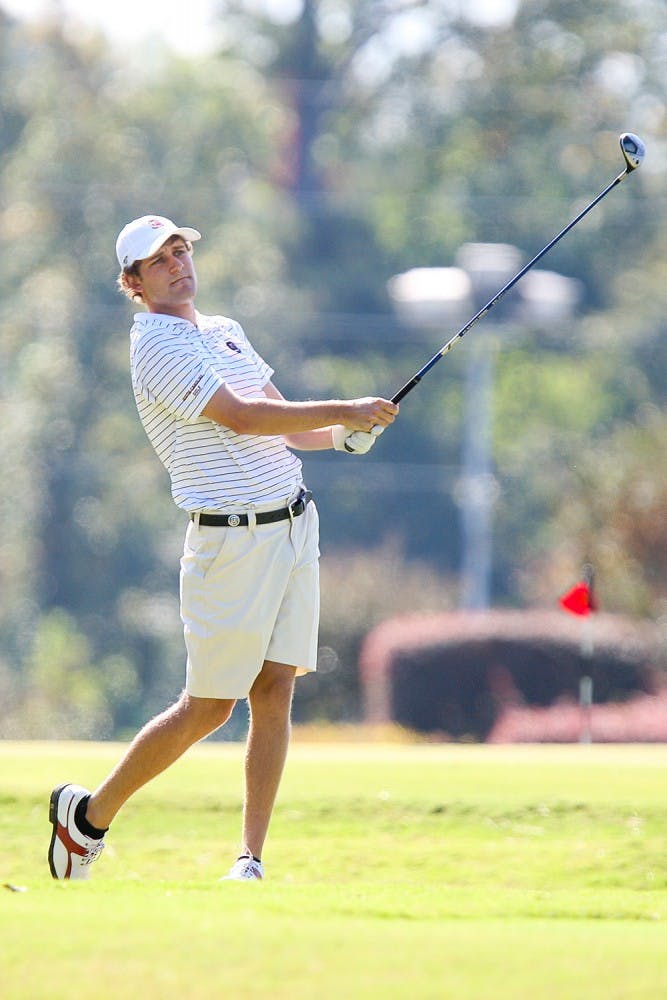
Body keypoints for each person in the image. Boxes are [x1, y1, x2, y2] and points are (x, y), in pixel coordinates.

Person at [48, 215, 398, 882]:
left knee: (274, 692)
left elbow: (286, 426)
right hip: (228, 544)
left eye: (181, 250)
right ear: (134, 282)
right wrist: (343, 407)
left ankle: (250, 860)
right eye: (160, 260)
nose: (178, 264)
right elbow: (240, 416)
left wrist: (350, 433)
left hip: (294, 526)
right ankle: (87, 818)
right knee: (207, 706)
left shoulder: (223, 331)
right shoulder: (155, 345)